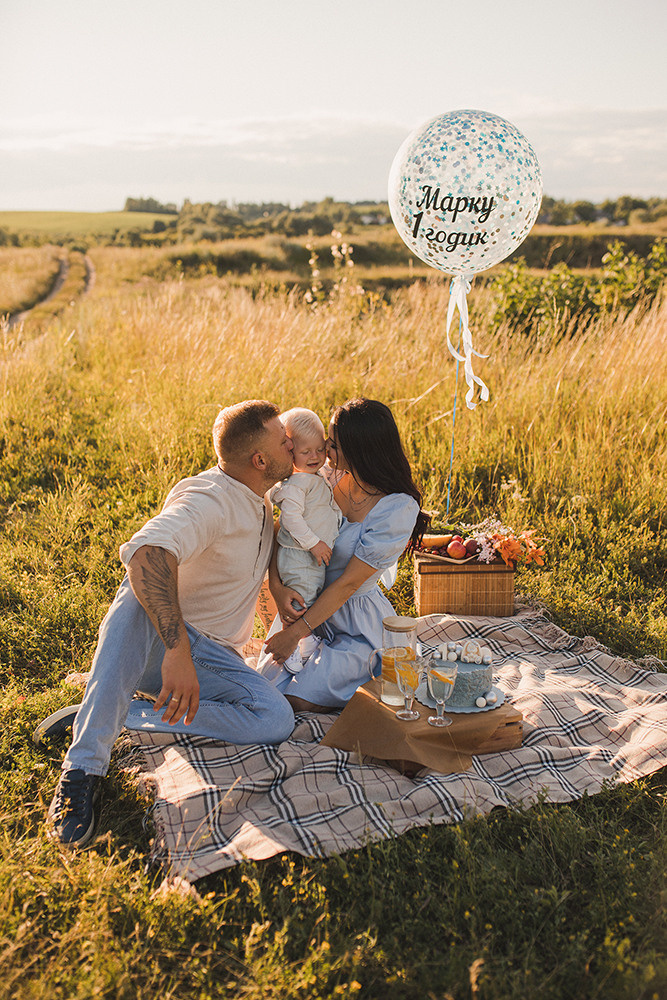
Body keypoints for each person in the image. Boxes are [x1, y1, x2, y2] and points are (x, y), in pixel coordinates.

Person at [44, 400, 297, 849]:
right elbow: (147, 554)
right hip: (167, 649)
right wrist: (178, 651)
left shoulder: (259, 497)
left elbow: (242, 571)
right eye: (283, 439)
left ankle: (118, 714)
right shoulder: (210, 499)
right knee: (137, 591)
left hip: (212, 659)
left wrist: (268, 620)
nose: (291, 442)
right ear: (260, 460)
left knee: (275, 718)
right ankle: (82, 767)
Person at [259, 397, 430, 710]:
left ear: (359, 449)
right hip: (308, 604)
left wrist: (296, 634)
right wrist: (276, 586)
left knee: (295, 700)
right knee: (264, 691)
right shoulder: (323, 476)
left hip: (356, 623)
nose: (324, 448)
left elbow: (349, 584)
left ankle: (357, 672)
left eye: (333, 444)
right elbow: (282, 528)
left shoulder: (397, 508)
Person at [268, 407, 342, 674]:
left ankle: (303, 641)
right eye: (305, 452)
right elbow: (291, 520)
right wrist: (314, 543)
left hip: (310, 557)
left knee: (308, 595)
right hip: (300, 556)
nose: (315, 457)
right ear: (291, 454)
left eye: (319, 450)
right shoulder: (296, 485)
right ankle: (299, 646)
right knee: (301, 599)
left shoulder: (314, 477)